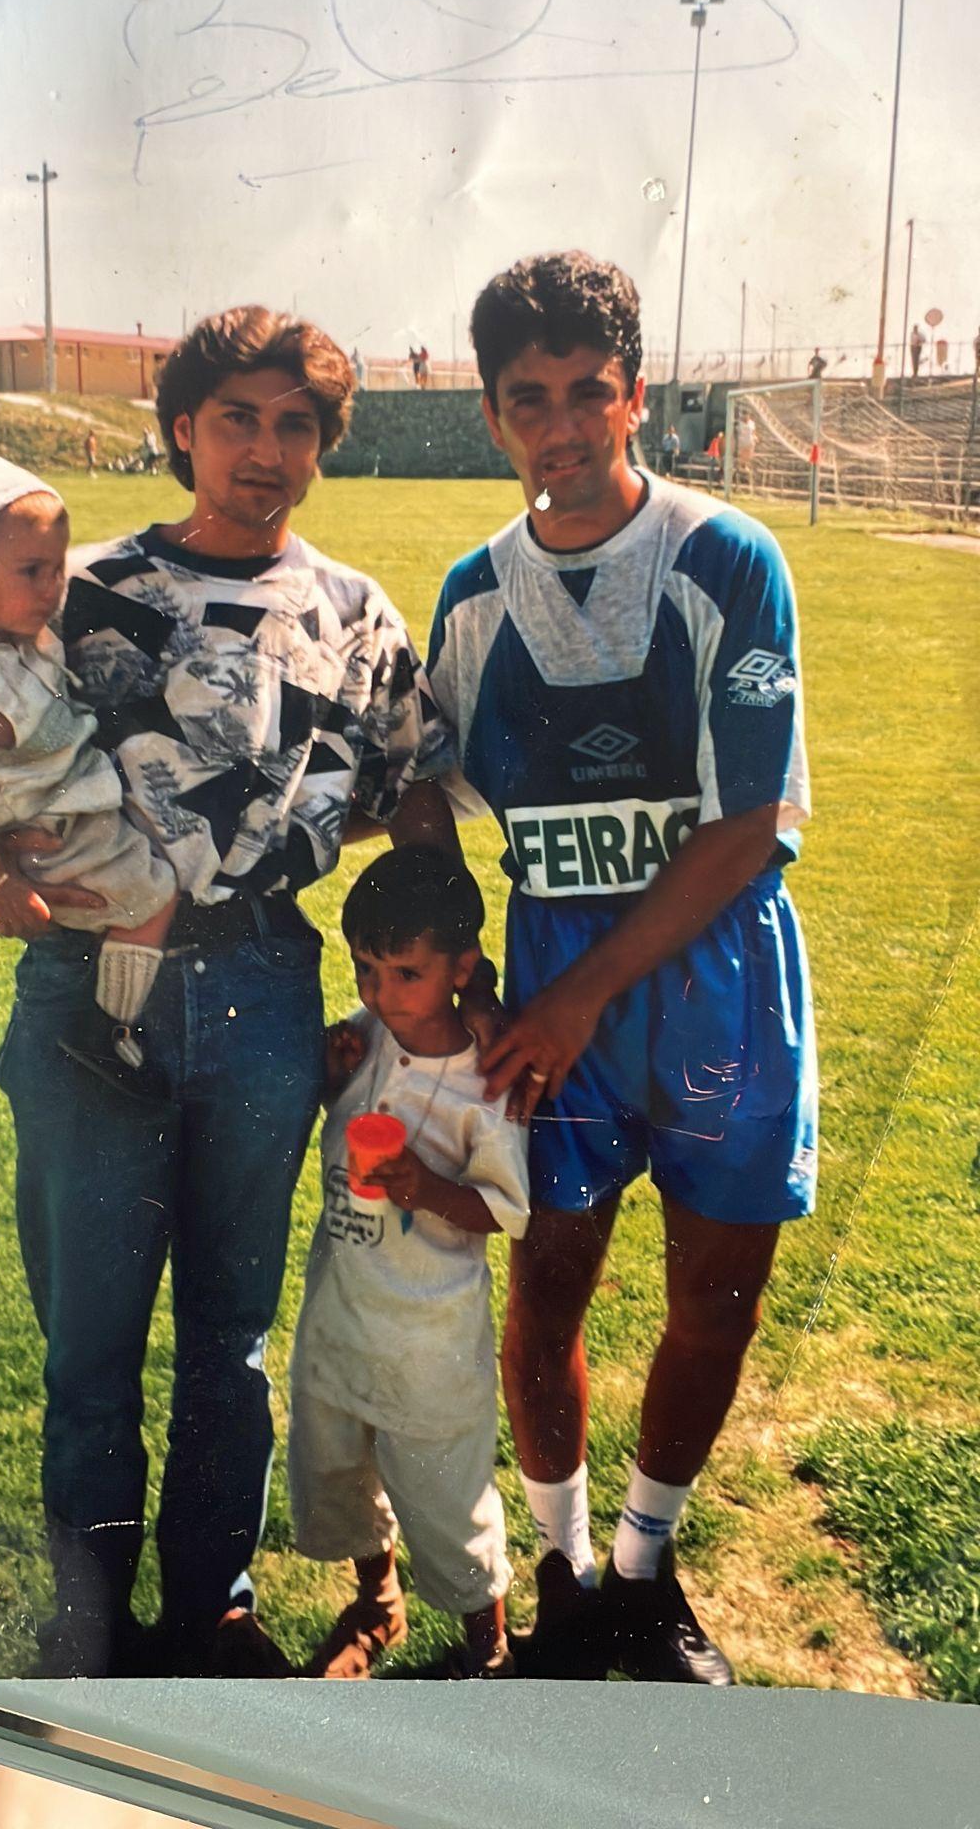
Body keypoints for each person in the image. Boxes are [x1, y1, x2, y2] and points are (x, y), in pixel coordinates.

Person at [0, 306, 468, 1679]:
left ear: (324, 446)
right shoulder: (69, 589)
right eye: (236, 419)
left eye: (294, 425)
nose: (263, 451)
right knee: (89, 1343)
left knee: (230, 1334)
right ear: (180, 432)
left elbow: (416, 799)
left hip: (266, 991)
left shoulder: (355, 617)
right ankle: (88, 1618)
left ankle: (211, 1607)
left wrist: (452, 973)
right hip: (91, 992)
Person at [427, 252, 816, 1686]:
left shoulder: (725, 559)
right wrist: (464, 975)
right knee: (554, 1279)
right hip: (549, 978)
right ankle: (565, 1570)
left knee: (717, 1293)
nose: (564, 426)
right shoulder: (473, 593)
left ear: (635, 394)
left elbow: (750, 826)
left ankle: (649, 1572)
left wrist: (580, 995)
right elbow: (429, 801)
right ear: (491, 416)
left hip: (712, 978)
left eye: (590, 392)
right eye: (529, 400)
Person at [289, 846, 529, 1680]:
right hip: (345, 1313)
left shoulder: (483, 1082)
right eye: (365, 967)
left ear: (463, 968)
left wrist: (426, 1185)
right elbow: (329, 1087)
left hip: (430, 1338)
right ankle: (378, 1599)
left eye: (405, 973)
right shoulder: (367, 1040)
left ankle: (486, 1642)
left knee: (445, 1496)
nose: (380, 993)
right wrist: (325, 1071)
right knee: (344, 1468)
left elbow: (501, 1209)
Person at [0, 449, 179, 1082]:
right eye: (31, 571)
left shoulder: (8, 640)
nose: (53, 589)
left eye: (56, 569)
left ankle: (105, 1018)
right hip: (45, 835)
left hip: (58, 811)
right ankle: (112, 1030)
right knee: (152, 897)